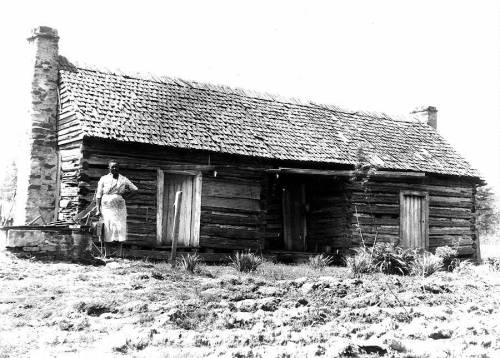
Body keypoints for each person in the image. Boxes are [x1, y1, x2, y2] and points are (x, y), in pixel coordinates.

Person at [96, 161, 138, 252]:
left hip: (120, 207)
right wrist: (97, 209)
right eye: (112, 167)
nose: (114, 169)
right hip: (107, 206)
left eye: (116, 167)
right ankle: (107, 253)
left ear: (119, 168)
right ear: (109, 168)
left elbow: (135, 189)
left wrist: (125, 197)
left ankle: (119, 253)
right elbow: (98, 195)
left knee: (120, 227)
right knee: (108, 227)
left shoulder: (123, 179)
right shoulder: (103, 179)